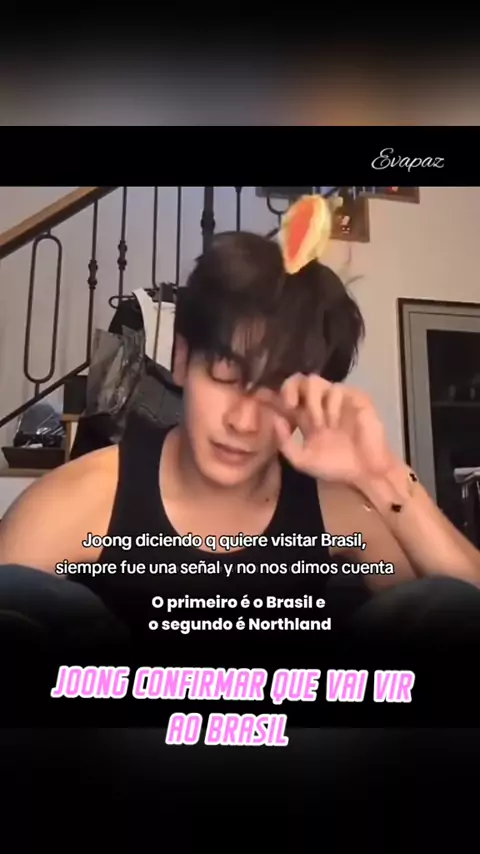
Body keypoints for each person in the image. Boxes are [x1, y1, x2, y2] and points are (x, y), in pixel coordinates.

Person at [1, 207, 480, 681]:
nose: (244, 422)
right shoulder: (84, 497)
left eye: (278, 392)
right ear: (182, 359)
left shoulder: (339, 509)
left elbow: (461, 609)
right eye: (226, 376)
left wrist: (384, 478)